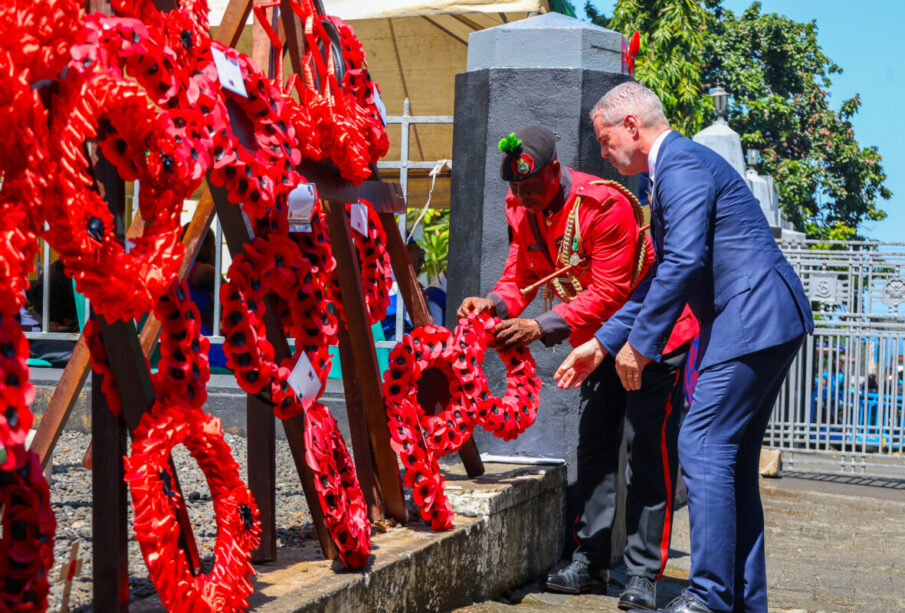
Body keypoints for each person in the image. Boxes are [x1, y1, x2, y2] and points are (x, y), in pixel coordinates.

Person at [559, 82, 813, 613]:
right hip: (763, 319)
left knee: (701, 445)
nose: (603, 154)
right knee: (732, 458)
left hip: (753, 316)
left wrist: (641, 347)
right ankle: (742, 600)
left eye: (606, 141)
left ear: (632, 125)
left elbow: (684, 263)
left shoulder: (680, 164)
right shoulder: (671, 170)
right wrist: (604, 345)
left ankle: (709, 598)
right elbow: (657, 278)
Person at [457, 125, 698, 610]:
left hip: (651, 337)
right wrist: (496, 307)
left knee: (646, 452)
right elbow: (521, 274)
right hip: (594, 345)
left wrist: (539, 326)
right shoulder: (520, 207)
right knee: (594, 447)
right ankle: (591, 561)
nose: (523, 198)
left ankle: (643, 573)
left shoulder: (604, 205)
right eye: (515, 190)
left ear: (554, 171)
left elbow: (609, 292)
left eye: (531, 187)